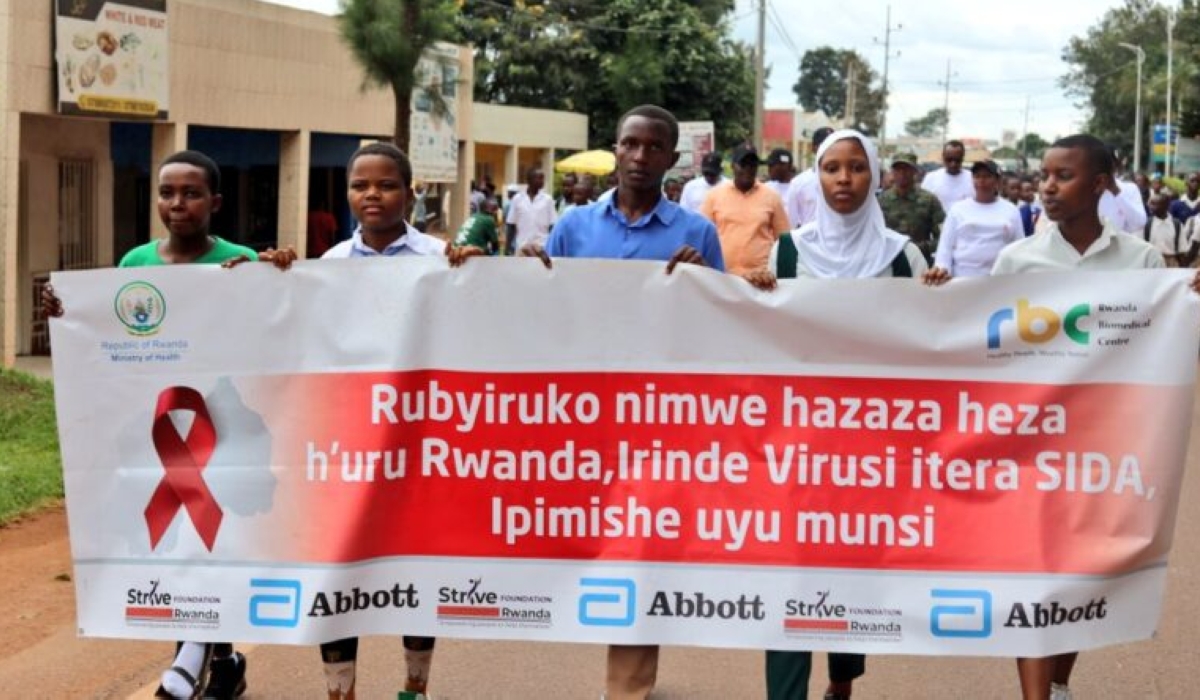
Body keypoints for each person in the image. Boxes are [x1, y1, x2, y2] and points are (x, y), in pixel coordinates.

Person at [42, 149, 297, 700]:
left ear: (216, 202)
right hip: (157, 426)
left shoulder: (244, 258)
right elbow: (109, 333)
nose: (177, 204)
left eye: (191, 193)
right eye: (166, 193)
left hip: (222, 424)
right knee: (173, 542)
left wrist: (275, 277)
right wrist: (65, 314)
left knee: (211, 540)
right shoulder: (135, 263)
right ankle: (221, 660)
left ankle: (192, 661)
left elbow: (270, 332)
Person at [520, 104, 723, 700]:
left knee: (640, 545)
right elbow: (543, 313)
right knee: (563, 532)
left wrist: (707, 283)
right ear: (615, 149)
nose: (639, 158)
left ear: (671, 158)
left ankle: (627, 688)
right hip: (581, 418)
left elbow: (724, 331)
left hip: (660, 419)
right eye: (629, 145)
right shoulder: (574, 227)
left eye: (652, 148)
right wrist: (524, 275)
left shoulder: (697, 233)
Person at [741, 130, 930, 700]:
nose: (843, 180)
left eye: (855, 168)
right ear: (815, 178)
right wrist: (753, 295)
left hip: (872, 456)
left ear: (874, 176)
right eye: (831, 169)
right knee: (788, 573)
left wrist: (940, 296)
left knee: (854, 570)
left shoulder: (903, 256)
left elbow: (934, 344)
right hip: (796, 445)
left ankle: (844, 675)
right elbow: (761, 337)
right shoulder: (789, 251)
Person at [989, 135, 1171, 699]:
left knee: (1076, 575)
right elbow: (976, 346)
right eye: (1044, 174)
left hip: (1102, 450)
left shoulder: (1141, 261)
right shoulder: (1017, 261)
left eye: (1062, 176)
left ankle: (1059, 684)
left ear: (1098, 185)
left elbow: (1163, 349)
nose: (1047, 185)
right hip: (1031, 445)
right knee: (1034, 574)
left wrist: (1187, 300)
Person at [314, 142, 479, 700]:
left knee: (416, 567)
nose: (372, 195)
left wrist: (476, 275)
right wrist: (277, 277)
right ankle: (341, 689)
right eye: (361, 185)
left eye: (386, 185)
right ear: (348, 193)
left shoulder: (443, 258)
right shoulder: (329, 265)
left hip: (418, 442)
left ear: (411, 193)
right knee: (341, 568)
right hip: (348, 441)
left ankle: (416, 686)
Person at [700, 145, 791, 275]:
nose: (748, 169)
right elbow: (703, 237)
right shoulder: (714, 196)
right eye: (743, 164)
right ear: (732, 166)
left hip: (761, 278)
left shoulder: (772, 197)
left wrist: (782, 275)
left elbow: (784, 240)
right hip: (723, 276)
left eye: (753, 164)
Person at [929, 159, 1023, 278]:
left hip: (999, 281)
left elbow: (1019, 248)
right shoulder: (958, 210)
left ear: (998, 181)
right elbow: (945, 248)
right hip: (963, 279)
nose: (981, 181)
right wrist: (943, 272)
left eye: (987, 176)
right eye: (977, 176)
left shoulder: (1011, 211)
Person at [879, 151, 945, 263]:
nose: (902, 173)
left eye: (906, 169)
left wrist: (920, 248)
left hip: (920, 261)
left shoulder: (929, 200)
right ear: (892, 172)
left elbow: (944, 237)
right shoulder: (881, 200)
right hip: (889, 261)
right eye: (898, 169)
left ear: (915, 171)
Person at [785, 126, 835, 228]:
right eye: (825, 145)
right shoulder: (798, 183)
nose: (830, 149)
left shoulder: (844, 181)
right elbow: (791, 222)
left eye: (834, 145)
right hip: (808, 242)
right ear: (814, 148)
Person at [505, 166, 557, 252]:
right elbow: (511, 225)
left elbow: (552, 225)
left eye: (543, 178)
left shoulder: (548, 200)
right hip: (522, 246)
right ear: (529, 180)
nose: (542, 181)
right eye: (539, 178)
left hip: (542, 247)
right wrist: (507, 247)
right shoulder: (517, 199)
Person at [1097, 152, 1148, 234]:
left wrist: (1115, 191)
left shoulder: (1129, 189)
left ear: (1114, 166)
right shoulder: (1083, 190)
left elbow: (1139, 223)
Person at [920, 140, 974, 211]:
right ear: (943, 157)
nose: (953, 164)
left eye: (957, 160)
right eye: (949, 160)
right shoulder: (931, 178)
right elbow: (923, 205)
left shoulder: (973, 179)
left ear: (963, 157)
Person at [1145, 193, 1186, 266]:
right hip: (1153, 261)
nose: (1150, 207)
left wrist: (1183, 268)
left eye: (1154, 204)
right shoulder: (1148, 224)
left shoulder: (1176, 224)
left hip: (1172, 262)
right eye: (1151, 204)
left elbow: (1181, 250)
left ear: (1166, 206)